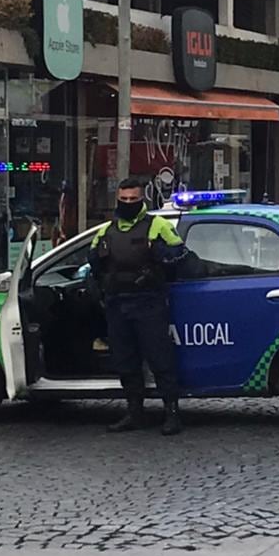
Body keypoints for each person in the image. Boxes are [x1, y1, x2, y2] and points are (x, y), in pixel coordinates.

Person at [89, 178, 191, 436]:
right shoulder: (106, 231)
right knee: (125, 362)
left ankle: (172, 414)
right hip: (117, 304)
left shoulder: (158, 225)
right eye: (123, 200)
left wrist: (162, 255)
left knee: (160, 359)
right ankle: (135, 413)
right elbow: (93, 263)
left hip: (148, 301)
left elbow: (181, 255)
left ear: (142, 200)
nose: (128, 204)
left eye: (133, 200)